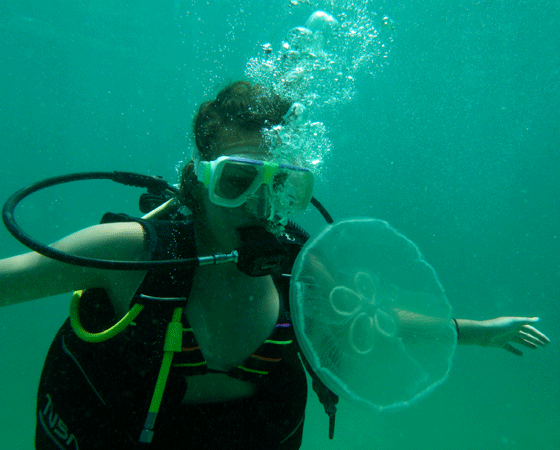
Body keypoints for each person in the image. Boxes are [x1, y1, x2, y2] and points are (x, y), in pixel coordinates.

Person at [0, 81, 550, 450]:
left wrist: (478, 333)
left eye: (280, 183)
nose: (262, 206)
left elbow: (371, 323)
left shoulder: (297, 269)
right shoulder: (131, 251)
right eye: (238, 181)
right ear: (201, 178)